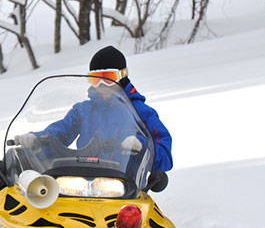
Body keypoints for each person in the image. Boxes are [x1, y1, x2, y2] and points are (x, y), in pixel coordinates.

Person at [18, 46, 173, 172]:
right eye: (96, 79)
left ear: (123, 76)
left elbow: (165, 157)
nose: (102, 85)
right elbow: (59, 134)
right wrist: (36, 141)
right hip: (82, 183)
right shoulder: (83, 111)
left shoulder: (141, 113)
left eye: (109, 78)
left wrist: (142, 147)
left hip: (125, 186)